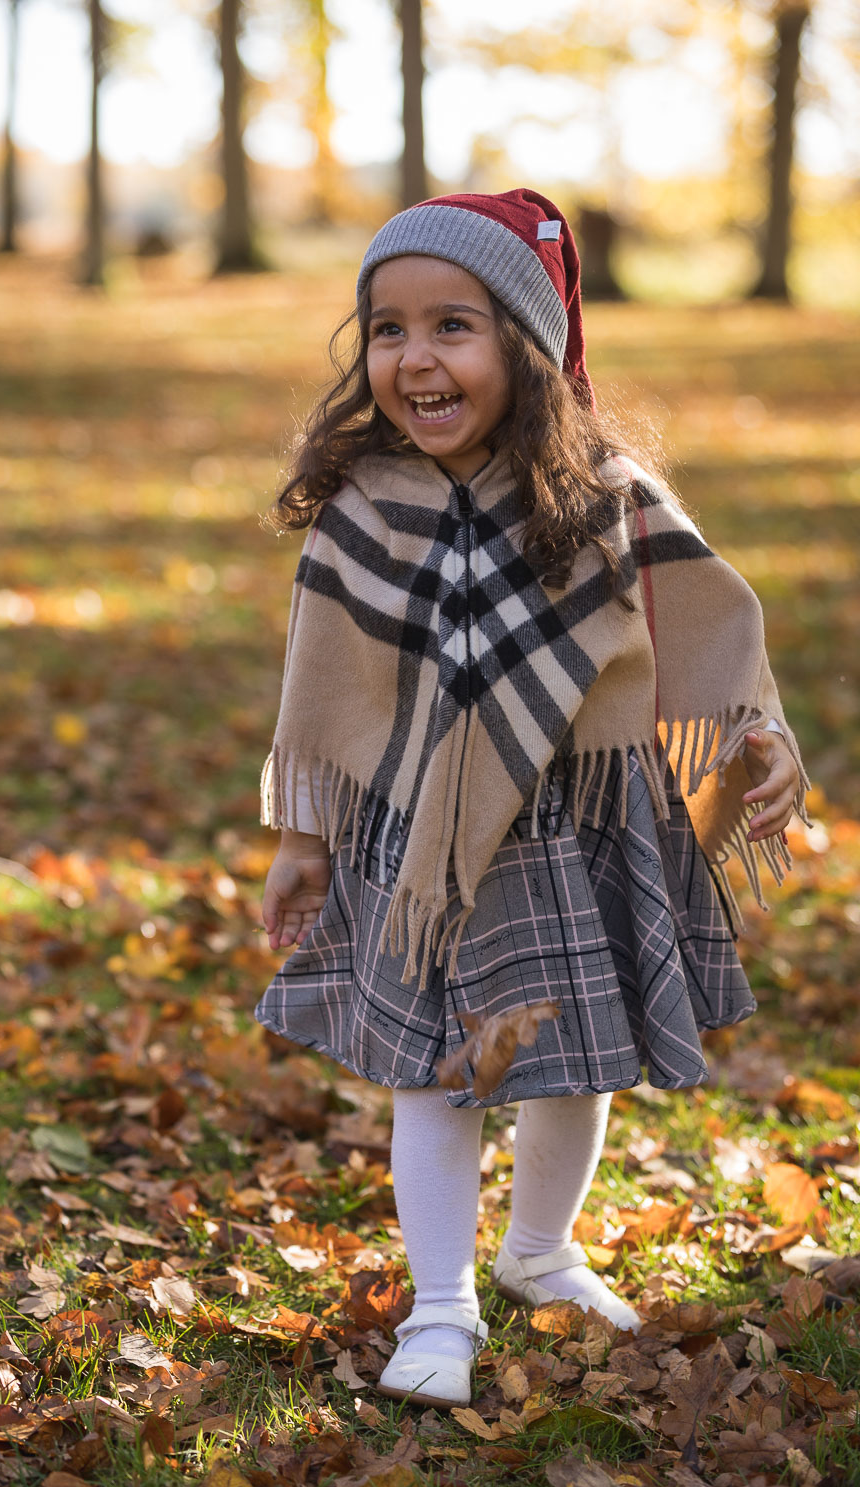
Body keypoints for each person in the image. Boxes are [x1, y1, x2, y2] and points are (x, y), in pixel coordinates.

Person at [255, 189, 808, 1410]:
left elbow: (709, 618)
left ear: (524, 342)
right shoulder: (362, 505)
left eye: (452, 326)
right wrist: (300, 835)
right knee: (439, 1073)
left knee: (571, 1061)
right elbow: (320, 681)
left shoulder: (600, 490)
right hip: (418, 840)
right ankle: (441, 1305)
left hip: (575, 823)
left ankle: (540, 1251)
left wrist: (756, 734)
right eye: (388, 330)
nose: (415, 357)